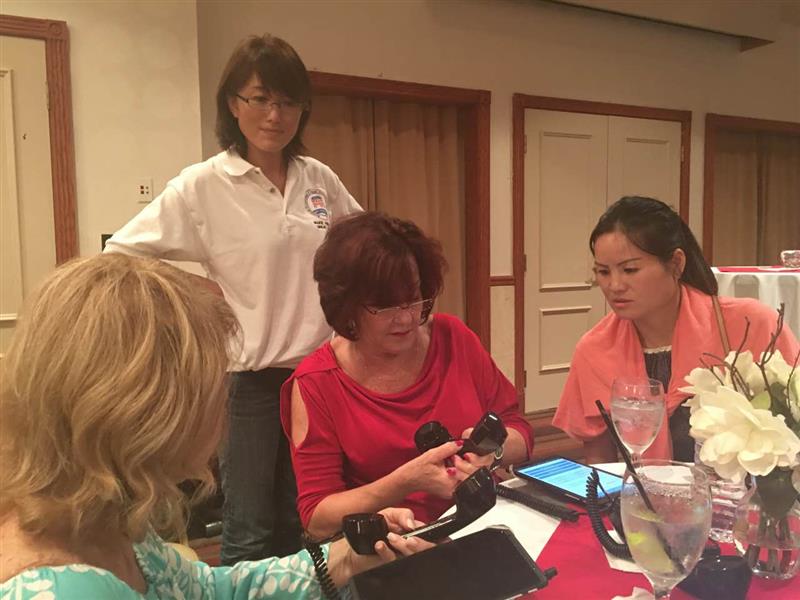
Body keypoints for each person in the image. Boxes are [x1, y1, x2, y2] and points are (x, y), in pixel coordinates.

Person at [0, 254, 430, 599]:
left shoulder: (103, 516)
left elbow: (206, 589)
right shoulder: (66, 590)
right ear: (151, 412)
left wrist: (344, 557)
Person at [104, 34, 362, 564]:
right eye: (260, 99)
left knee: (304, 520)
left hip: (318, 378)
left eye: (288, 101)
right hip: (250, 383)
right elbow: (121, 253)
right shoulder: (203, 185)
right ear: (233, 104)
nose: (275, 115)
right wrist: (194, 290)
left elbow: (361, 242)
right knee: (248, 528)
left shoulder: (318, 178)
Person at [280, 212, 534, 539]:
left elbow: (519, 430)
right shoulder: (317, 382)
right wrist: (405, 482)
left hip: (487, 524)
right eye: (385, 307)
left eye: (414, 299)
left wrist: (492, 454)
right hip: (395, 545)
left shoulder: (454, 338)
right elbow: (317, 516)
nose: (406, 319)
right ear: (347, 306)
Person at [553, 196, 800, 463]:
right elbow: (601, 463)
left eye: (630, 270)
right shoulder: (595, 348)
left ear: (676, 263)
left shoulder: (749, 325)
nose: (615, 285)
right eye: (603, 272)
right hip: (641, 488)